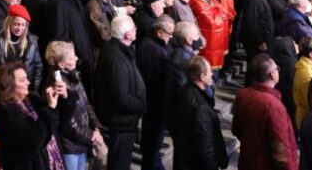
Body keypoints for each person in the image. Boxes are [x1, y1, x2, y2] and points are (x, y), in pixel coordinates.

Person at [94, 16, 146, 170]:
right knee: (119, 164)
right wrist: (141, 106)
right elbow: (120, 97)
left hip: (124, 120)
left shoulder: (120, 50)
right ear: (127, 35)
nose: (136, 30)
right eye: (133, 28)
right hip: (120, 121)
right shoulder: (116, 59)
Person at [0, 60, 64, 170]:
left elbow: (58, 123)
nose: (28, 83)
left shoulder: (32, 100)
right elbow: (34, 143)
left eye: (26, 78)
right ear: (9, 84)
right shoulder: (5, 113)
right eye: (22, 80)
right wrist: (49, 109)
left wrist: (64, 96)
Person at [231, 54, 298, 170]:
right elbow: (280, 149)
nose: (278, 70)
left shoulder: (242, 94)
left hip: (247, 159)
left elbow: (236, 129)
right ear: (272, 74)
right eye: (276, 68)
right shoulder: (273, 105)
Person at [43, 40, 102, 170]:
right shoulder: (55, 85)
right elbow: (67, 124)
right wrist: (91, 136)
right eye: (71, 56)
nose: (76, 58)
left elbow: (87, 104)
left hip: (81, 142)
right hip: (69, 146)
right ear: (62, 64)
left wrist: (96, 127)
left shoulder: (74, 77)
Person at [169, 56, 229, 170]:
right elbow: (205, 145)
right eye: (210, 72)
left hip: (182, 160)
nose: (212, 75)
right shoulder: (200, 106)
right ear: (202, 76)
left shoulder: (181, 92)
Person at [45, 0, 93, 90]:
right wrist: (72, 58)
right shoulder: (58, 3)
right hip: (73, 60)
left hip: (84, 53)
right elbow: (59, 36)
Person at [137, 15, 174, 170]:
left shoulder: (159, 44)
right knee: (152, 141)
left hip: (158, 102)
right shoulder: (151, 48)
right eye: (169, 33)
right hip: (155, 102)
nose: (171, 37)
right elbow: (155, 79)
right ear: (159, 32)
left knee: (154, 142)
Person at [0, 4, 43, 90]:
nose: (20, 28)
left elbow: (38, 67)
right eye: (16, 24)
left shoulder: (31, 42)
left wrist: (34, 90)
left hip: (24, 90)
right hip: (3, 90)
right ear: (9, 22)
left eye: (23, 25)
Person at [189, 0, 230, 70]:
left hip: (217, 37)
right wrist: (220, 13)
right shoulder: (196, 0)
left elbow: (224, 13)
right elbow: (211, 21)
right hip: (208, 39)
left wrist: (220, 13)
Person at [293, 37, 312, 129]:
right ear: (311, 54)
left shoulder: (308, 66)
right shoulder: (307, 74)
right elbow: (311, 101)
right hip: (309, 120)